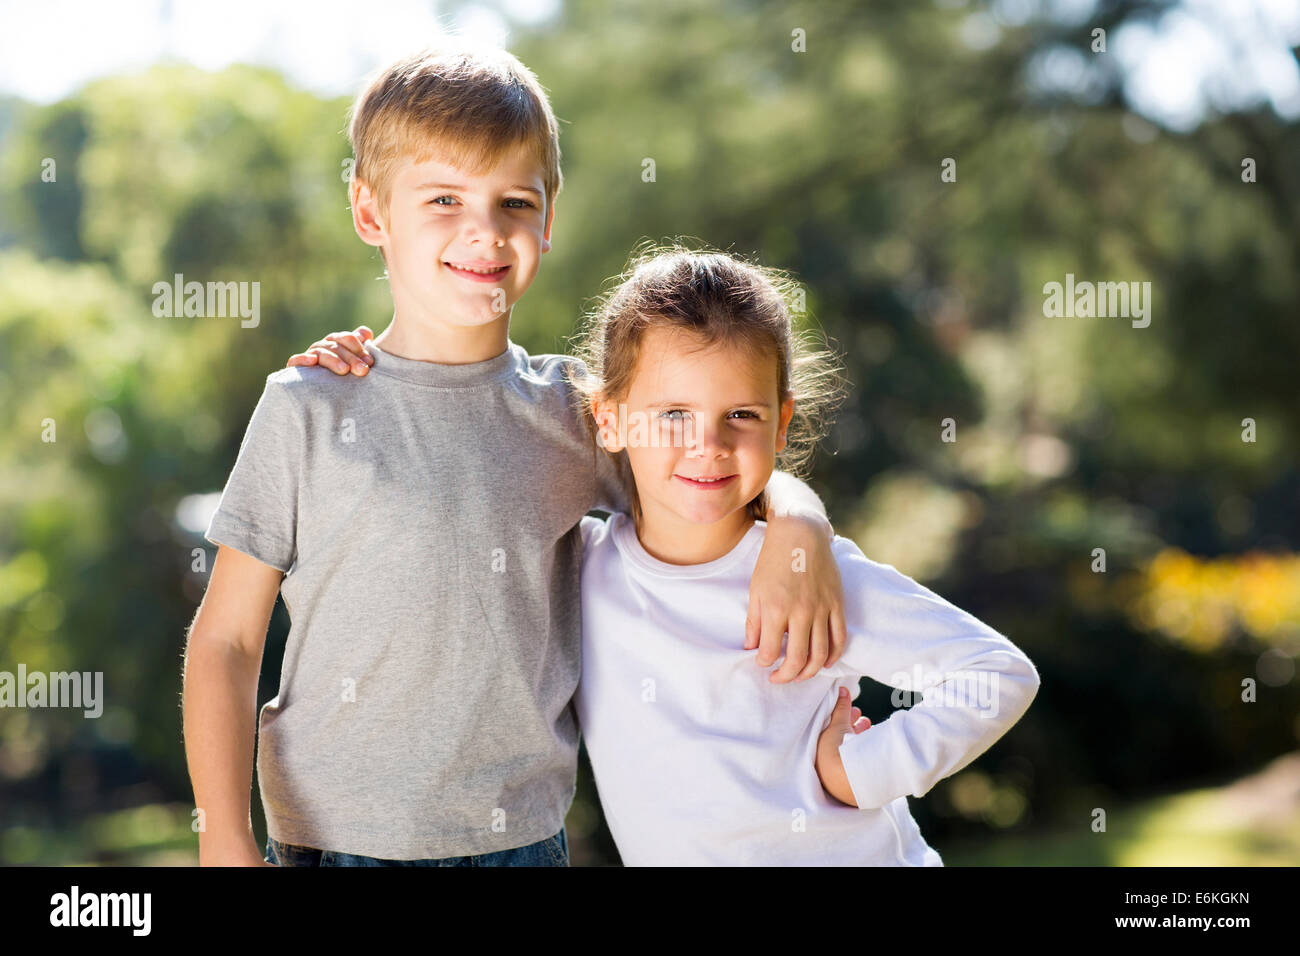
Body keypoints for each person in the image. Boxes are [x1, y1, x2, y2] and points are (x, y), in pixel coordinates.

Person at [181, 46, 846, 868]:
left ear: (548, 217)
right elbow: (227, 643)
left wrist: (801, 522)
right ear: (370, 213)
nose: (484, 232)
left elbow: (713, 462)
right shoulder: (309, 406)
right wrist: (223, 833)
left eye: (514, 202)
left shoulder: (580, 411)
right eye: (444, 199)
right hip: (332, 845)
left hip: (521, 843)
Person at [565, 243, 1042, 864]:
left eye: (741, 413)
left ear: (781, 423)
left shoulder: (808, 575)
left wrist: (864, 773)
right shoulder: (582, 570)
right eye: (674, 414)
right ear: (610, 420)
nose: (709, 445)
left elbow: (997, 675)